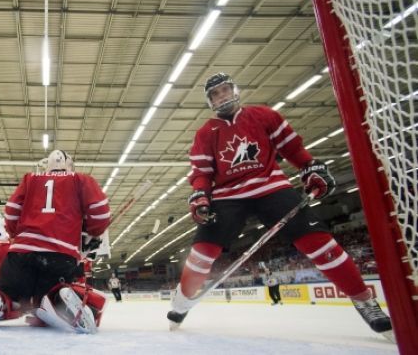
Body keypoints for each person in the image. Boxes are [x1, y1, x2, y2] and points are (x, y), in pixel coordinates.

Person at [167, 73, 392, 340]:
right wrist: (200, 196)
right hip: (228, 195)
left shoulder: (265, 116)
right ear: (209, 101)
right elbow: (202, 173)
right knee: (203, 251)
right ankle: (183, 299)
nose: (222, 96)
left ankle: (364, 299)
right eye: (215, 94)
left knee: (318, 241)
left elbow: (293, 149)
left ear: (235, 90)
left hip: (271, 187)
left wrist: (310, 168)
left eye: (225, 89)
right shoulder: (206, 133)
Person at [0, 150, 111, 334]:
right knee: (48, 296)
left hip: (19, 256)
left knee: (7, 298)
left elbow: (11, 211)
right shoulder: (81, 180)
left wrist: (17, 232)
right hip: (60, 258)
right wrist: (91, 231)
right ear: (69, 166)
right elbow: (101, 214)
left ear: (47, 166)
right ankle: (58, 300)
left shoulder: (30, 179)